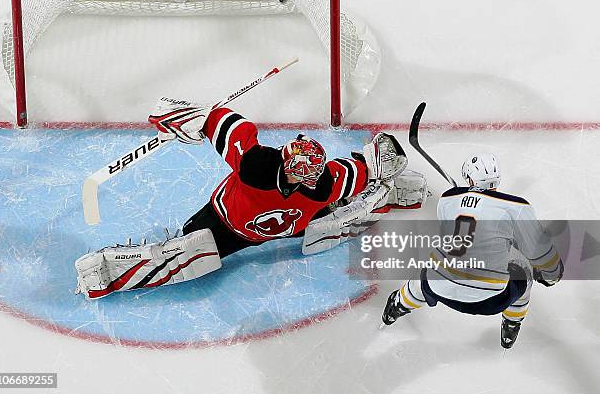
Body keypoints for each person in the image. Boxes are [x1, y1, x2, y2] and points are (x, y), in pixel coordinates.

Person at [75, 101, 428, 299]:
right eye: (299, 172)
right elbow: (231, 129)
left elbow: (355, 171)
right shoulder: (256, 166)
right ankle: (112, 273)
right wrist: (192, 116)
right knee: (188, 246)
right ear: (287, 162)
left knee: (338, 207)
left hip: (284, 230)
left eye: (310, 174)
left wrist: (379, 165)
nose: (306, 179)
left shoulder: (323, 183)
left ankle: (383, 198)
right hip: (226, 225)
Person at [381, 153, 564, 349]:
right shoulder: (517, 206)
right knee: (524, 276)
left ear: (469, 178)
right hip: (492, 301)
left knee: (431, 271)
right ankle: (512, 325)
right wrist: (552, 274)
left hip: (439, 291)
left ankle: (397, 306)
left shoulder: (448, 199)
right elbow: (540, 252)